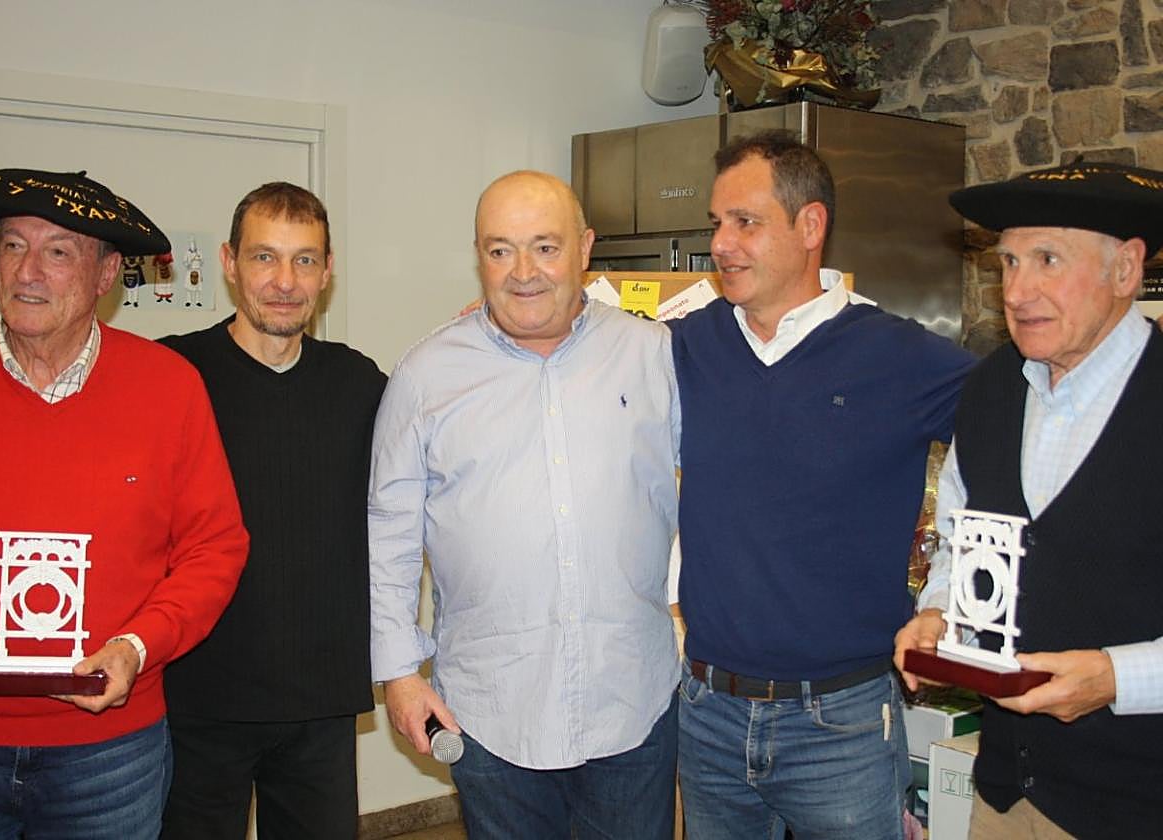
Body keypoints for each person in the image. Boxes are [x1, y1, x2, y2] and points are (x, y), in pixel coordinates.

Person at [667, 130, 976, 839]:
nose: (722, 243)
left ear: (810, 226)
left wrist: (948, 590)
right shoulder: (687, 342)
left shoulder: (900, 355)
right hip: (709, 713)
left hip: (841, 724)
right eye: (717, 222)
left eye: (745, 222)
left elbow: (1018, 433)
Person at [369, 170, 681, 839]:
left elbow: (718, 497)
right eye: (500, 249)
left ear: (585, 248)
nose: (524, 272)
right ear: (478, 255)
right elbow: (388, 535)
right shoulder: (426, 375)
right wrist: (398, 672)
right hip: (490, 711)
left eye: (545, 246)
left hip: (633, 700)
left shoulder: (655, 357)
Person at [0, 168, 249, 839]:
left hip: (109, 753)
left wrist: (135, 646)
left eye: (58, 252)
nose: (27, 272)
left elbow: (216, 547)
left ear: (105, 275)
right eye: (12, 246)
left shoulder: (169, 388)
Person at [894, 161, 1163, 839]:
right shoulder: (989, 390)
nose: (1018, 290)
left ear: (1125, 271)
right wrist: (938, 616)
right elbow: (960, 537)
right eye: (1010, 262)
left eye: (1047, 259)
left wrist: (1117, 677)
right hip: (1007, 799)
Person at [159, 182, 386, 840]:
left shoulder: (359, 384)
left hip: (319, 706)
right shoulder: (176, 374)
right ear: (229, 262)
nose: (285, 281)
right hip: (199, 698)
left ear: (328, 270)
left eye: (305, 260)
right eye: (265, 258)